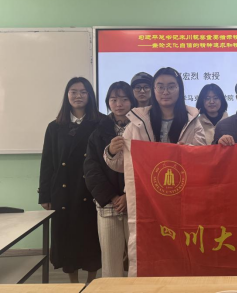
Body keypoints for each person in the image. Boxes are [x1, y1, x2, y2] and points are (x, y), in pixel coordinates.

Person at [39, 77, 103, 284]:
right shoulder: (54, 126)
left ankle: (91, 282)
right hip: (63, 191)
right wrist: (45, 195)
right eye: (73, 91)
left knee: (91, 237)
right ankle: (73, 284)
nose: (78, 96)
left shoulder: (101, 122)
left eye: (83, 92)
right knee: (66, 238)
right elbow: (47, 162)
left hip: (90, 189)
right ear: (67, 95)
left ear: (90, 96)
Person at [105, 68, 206, 173]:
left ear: (180, 89)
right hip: (147, 182)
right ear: (154, 90)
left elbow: (203, 157)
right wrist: (111, 152)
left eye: (171, 87)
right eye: (160, 87)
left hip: (182, 180)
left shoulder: (192, 121)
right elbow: (124, 165)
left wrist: (189, 151)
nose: (165, 92)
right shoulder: (138, 122)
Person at [85, 81, 136, 278]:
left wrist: (128, 196)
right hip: (108, 205)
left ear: (132, 101)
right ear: (108, 103)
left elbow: (147, 166)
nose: (119, 104)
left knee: (138, 259)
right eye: (114, 99)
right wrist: (113, 197)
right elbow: (91, 168)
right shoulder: (98, 131)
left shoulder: (141, 128)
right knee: (110, 261)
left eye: (124, 99)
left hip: (135, 203)